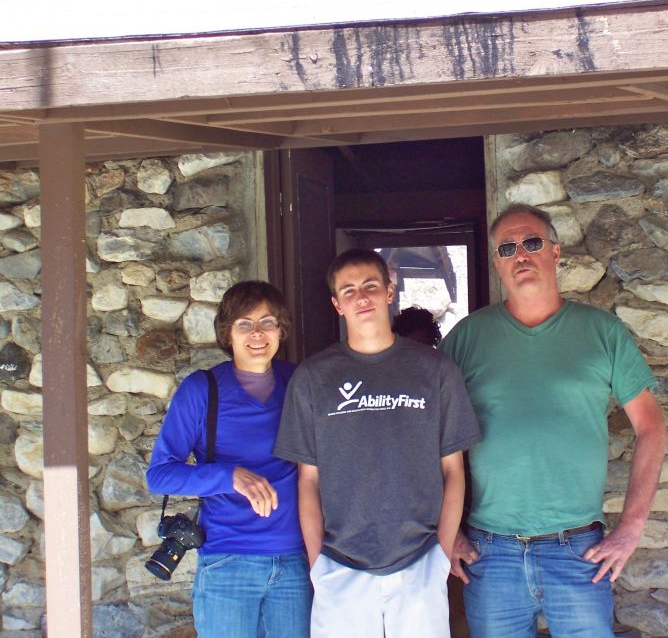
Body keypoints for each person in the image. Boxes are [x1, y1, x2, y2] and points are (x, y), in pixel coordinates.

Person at [440, 203, 668, 638]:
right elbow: (428, 436)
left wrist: (632, 527)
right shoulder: (467, 338)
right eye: (507, 248)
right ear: (496, 262)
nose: (520, 255)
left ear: (556, 252)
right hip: (492, 550)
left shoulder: (601, 333)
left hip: (579, 548)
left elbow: (651, 427)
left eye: (531, 243)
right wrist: (445, 530)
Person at [274, 248, 482, 638]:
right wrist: (320, 564)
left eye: (371, 285)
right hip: (340, 567)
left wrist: (440, 552)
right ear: (337, 304)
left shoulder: (435, 370)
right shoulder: (313, 378)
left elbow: (453, 471)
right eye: (349, 290)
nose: (362, 297)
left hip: (420, 561)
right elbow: (308, 481)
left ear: (390, 291)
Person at [146, 281, 312, 638]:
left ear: (281, 330)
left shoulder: (299, 382)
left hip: (295, 562)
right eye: (244, 324)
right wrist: (230, 475)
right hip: (228, 563)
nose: (257, 333)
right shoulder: (202, 389)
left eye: (267, 322)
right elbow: (159, 475)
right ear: (228, 332)